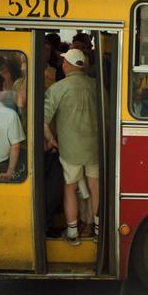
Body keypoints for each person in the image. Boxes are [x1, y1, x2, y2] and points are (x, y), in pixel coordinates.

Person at [44, 49, 99, 246]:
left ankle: (73, 233)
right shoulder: (96, 86)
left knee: (70, 189)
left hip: (70, 150)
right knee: (95, 188)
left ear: (68, 65)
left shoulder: (58, 88)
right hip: (95, 148)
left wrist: (51, 139)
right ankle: (98, 231)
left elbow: (43, 119)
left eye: (64, 61)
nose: (63, 64)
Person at [0, 66, 26, 182]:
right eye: (4, 87)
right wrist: (10, 172)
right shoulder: (10, 115)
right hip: (4, 164)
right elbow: (15, 146)